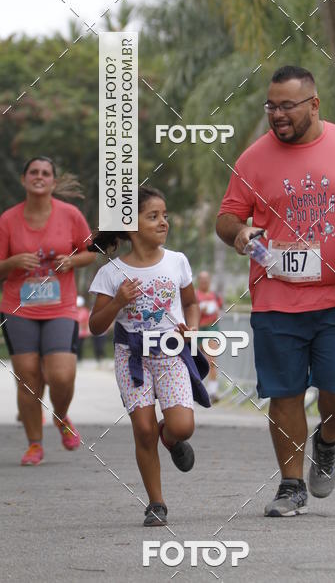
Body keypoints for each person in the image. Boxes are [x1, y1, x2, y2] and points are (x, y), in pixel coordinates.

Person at [216, 65, 335, 517]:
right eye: (271, 106)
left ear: (314, 104)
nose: (276, 114)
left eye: (286, 106)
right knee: (285, 393)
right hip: (276, 297)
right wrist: (237, 234)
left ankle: (327, 441)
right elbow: (226, 216)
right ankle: (291, 485)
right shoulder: (253, 159)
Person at [88, 185, 210, 527]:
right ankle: (156, 503)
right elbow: (96, 326)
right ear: (130, 226)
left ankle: (168, 437)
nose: (163, 223)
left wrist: (194, 329)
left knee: (182, 427)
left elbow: (191, 303)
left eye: (165, 216)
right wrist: (117, 302)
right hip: (132, 358)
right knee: (142, 429)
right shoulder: (111, 273)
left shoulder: (177, 262)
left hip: (171, 354)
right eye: (153, 216)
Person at [0, 156, 96, 466]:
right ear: (24, 180)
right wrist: (13, 263)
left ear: (53, 182)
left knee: (61, 375)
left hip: (60, 307)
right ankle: (34, 444)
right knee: (27, 379)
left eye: (45, 173)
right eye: (33, 172)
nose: (39, 177)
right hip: (18, 309)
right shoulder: (7, 220)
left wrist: (71, 261)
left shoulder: (70, 215)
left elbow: (89, 253)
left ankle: (61, 415)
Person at [195, 270, 223, 400]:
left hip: (211, 329)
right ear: (198, 281)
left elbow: (219, 310)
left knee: (211, 360)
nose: (204, 283)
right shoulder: (195, 295)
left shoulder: (215, 296)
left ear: (209, 281)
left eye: (206, 281)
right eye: (202, 281)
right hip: (198, 329)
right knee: (196, 362)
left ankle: (212, 391)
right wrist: (201, 310)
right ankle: (196, 390)